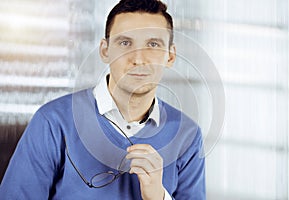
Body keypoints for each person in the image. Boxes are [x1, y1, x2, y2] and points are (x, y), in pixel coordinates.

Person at [0, 0, 206, 199]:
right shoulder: (53, 122)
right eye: (125, 43)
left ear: (170, 56)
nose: (138, 58)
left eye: (153, 44)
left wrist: (159, 197)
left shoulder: (187, 135)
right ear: (105, 50)